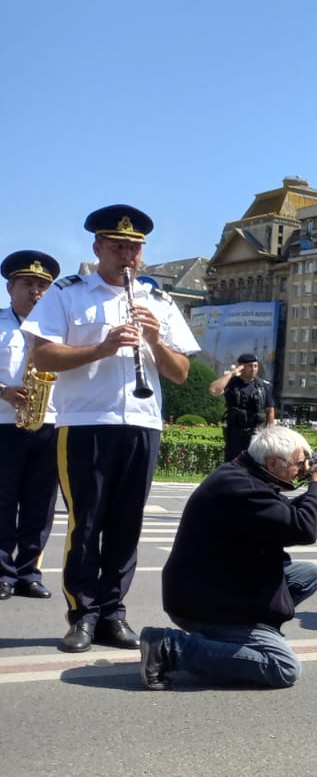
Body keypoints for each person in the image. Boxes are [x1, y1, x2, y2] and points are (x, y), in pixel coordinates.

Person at [24, 205, 199, 654]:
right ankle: (82, 615)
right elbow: (42, 357)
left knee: (127, 523)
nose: (127, 255)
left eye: (135, 248)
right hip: (85, 422)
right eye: (118, 245)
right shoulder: (68, 293)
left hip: (143, 424)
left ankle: (113, 612)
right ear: (98, 247)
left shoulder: (160, 301)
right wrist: (101, 348)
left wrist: (155, 340)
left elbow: (180, 373)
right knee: (87, 523)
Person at [138, 424, 317, 689]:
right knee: (283, 668)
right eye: (299, 463)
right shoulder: (240, 488)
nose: (304, 470)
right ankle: (169, 647)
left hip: (218, 584)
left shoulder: (243, 476)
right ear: (273, 462)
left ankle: (247, 637)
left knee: (307, 574)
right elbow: (302, 528)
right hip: (202, 601)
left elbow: (283, 516)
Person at [0, 251, 63, 601]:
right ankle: (2, 573)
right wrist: (3, 391)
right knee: (3, 501)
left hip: (49, 422)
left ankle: (29, 572)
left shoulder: (57, 330)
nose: (35, 292)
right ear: (10, 287)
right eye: (28, 284)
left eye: (42, 286)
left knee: (40, 504)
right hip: (4, 423)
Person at [209, 352, 276, 463]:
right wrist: (233, 373)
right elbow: (213, 390)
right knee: (233, 464)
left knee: (255, 465)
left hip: (256, 434)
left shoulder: (263, 386)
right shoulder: (232, 383)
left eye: (256, 366)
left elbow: (270, 411)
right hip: (235, 434)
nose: (253, 369)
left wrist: (269, 433)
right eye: (250, 366)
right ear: (242, 367)